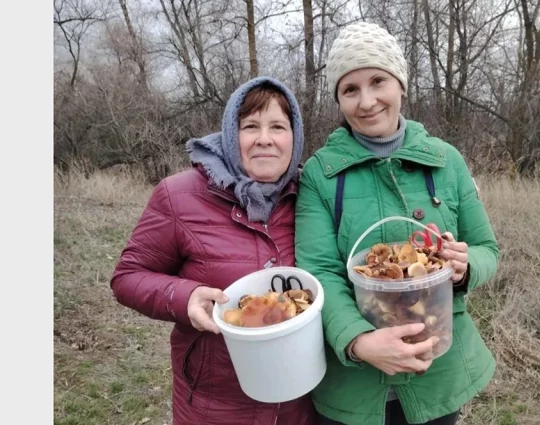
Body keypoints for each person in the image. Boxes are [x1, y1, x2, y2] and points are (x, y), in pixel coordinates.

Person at [294, 22, 500, 425]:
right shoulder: (320, 173)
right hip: (352, 384)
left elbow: (487, 249)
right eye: (350, 89)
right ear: (338, 100)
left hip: (436, 371)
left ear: (401, 85)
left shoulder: (446, 161)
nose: (367, 101)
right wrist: (359, 341)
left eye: (377, 81)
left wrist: (464, 266)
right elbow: (318, 271)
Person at [110, 76, 317, 425]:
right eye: (250, 126)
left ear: (294, 138)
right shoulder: (178, 196)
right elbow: (127, 277)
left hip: (298, 403)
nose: (264, 139)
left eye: (278, 126)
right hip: (214, 406)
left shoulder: (311, 197)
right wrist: (184, 296)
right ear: (230, 135)